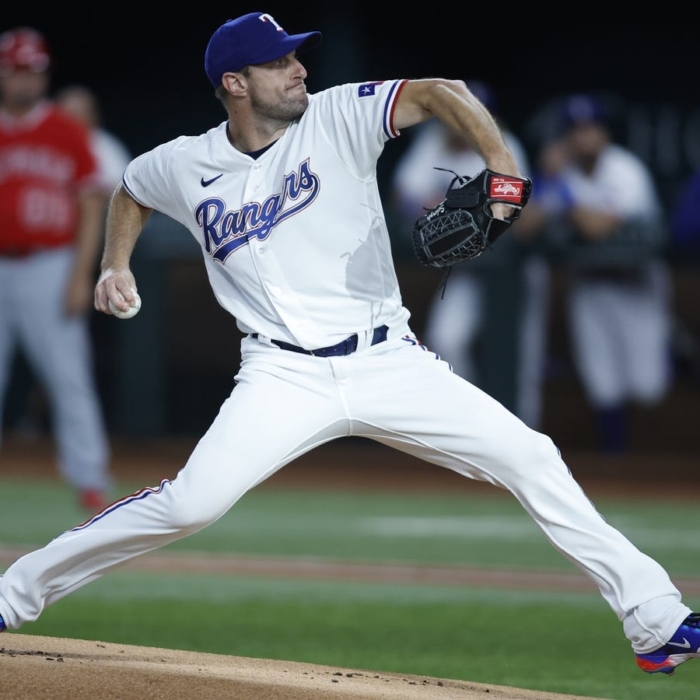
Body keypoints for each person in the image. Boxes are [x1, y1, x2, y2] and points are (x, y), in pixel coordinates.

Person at [0, 11, 697, 677]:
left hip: (387, 360)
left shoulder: (338, 115)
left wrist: (503, 170)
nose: (298, 68)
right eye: (278, 62)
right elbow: (129, 189)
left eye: (297, 55)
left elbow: (442, 93)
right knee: (188, 506)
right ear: (235, 84)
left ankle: (656, 622)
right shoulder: (184, 162)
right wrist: (115, 263)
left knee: (532, 456)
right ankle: (13, 595)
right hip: (279, 375)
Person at [390, 81, 550, 430]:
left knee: (520, 358)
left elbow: (511, 209)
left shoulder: (504, 147)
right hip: (468, 270)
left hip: (512, 273)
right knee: (447, 339)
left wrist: (454, 203)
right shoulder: (435, 143)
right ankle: (470, 426)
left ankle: (524, 437)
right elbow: (404, 194)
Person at [0, 27, 112, 512]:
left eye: (33, 72)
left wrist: (80, 274)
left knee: (69, 377)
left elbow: (92, 206)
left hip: (50, 263)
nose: (25, 81)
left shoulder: (67, 130)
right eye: (16, 71)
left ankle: (90, 481)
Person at [527, 95, 672, 453]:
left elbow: (597, 229)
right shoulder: (563, 175)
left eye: (591, 128)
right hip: (589, 284)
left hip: (635, 284)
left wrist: (562, 189)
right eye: (575, 130)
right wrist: (546, 182)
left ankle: (678, 354)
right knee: (602, 383)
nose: (584, 137)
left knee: (647, 386)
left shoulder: (625, 170)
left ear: (605, 133)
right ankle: (617, 468)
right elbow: (525, 228)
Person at [56, 84, 132, 200]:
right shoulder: (48, 144)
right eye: (65, 114)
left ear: (92, 115)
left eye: (76, 114)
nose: (70, 120)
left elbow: (125, 190)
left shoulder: (104, 145)